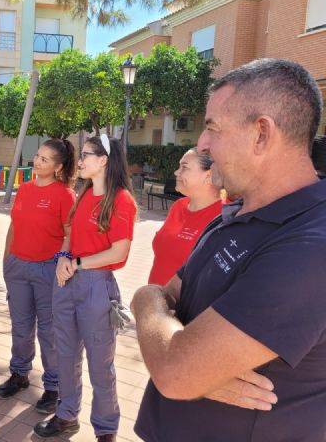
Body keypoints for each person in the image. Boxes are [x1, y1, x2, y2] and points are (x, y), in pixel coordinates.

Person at [131, 58, 326, 441]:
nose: (202, 143)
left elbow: (175, 371)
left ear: (261, 134)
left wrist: (147, 308)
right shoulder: (236, 213)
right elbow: (170, 295)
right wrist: (193, 364)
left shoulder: (311, 244)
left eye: (213, 128)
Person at [34, 135, 137, 442]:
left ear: (104, 160)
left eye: (87, 155)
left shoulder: (121, 200)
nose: (80, 161)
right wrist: (63, 259)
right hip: (67, 283)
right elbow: (70, 238)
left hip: (96, 287)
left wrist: (76, 263)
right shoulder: (84, 194)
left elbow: (118, 253)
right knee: (65, 354)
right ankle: (67, 416)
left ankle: (106, 429)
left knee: (100, 363)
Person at [0, 139, 77, 414]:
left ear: (58, 166)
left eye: (44, 159)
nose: (37, 162)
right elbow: (14, 226)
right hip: (18, 268)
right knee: (20, 326)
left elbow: (70, 234)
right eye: (37, 156)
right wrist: (7, 260)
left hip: (47, 271)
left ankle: (53, 386)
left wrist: (60, 266)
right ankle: (19, 374)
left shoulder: (65, 194)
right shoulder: (25, 189)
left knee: (49, 331)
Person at [148, 148, 221, 286]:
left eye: (184, 168)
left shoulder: (224, 215)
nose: (176, 172)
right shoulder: (179, 206)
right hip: (157, 301)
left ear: (208, 175)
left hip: (188, 306)